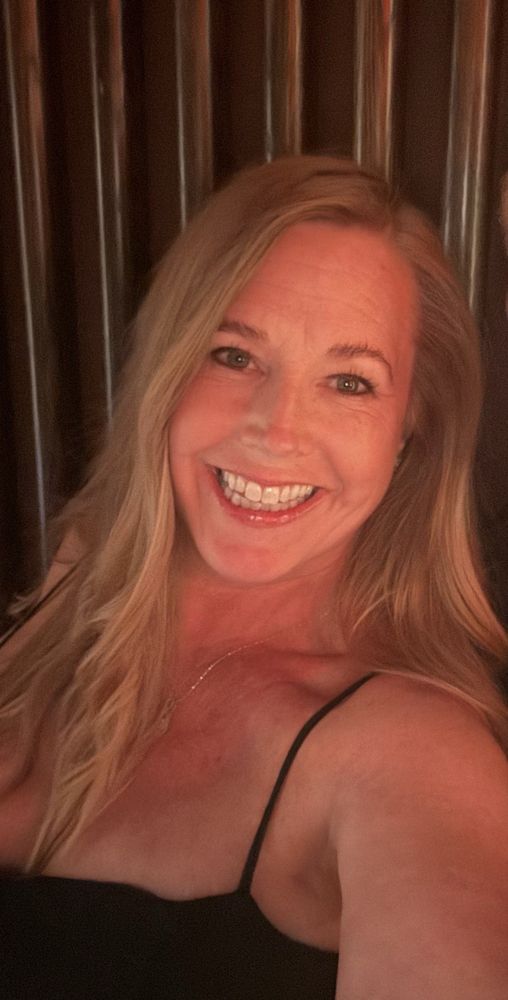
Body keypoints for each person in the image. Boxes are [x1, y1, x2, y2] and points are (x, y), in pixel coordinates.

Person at [1, 155, 507, 1000]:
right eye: (234, 355)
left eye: (349, 382)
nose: (276, 430)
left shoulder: (414, 755)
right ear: (167, 367)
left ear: (410, 429)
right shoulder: (81, 574)